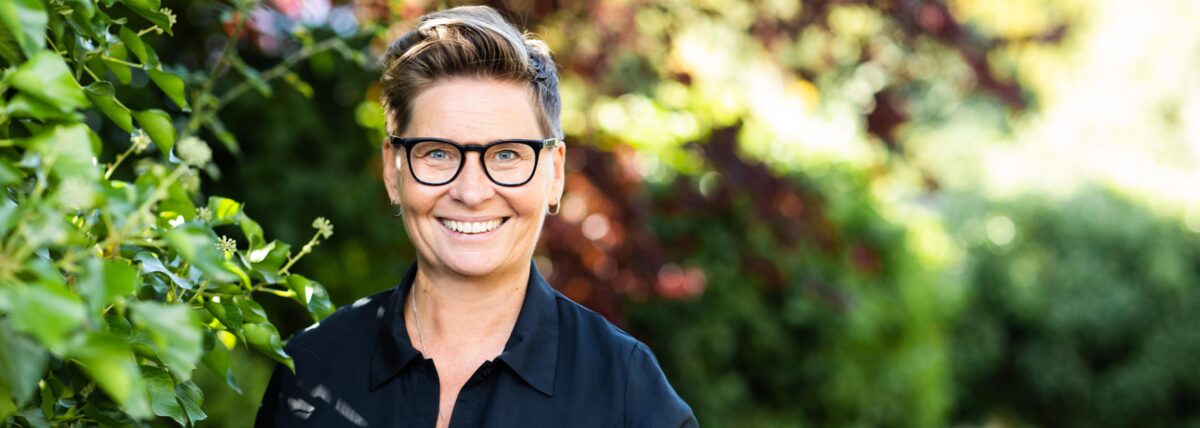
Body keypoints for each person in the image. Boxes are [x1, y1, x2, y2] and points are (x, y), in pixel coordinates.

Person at [255, 6, 696, 427]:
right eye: (438, 153)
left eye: (506, 154)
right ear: (393, 169)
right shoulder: (311, 368)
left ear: (555, 174)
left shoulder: (625, 393)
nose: (470, 192)